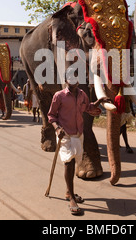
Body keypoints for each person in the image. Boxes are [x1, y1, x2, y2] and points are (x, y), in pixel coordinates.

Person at [47, 72, 110, 216]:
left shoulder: (82, 94)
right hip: (65, 133)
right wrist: (57, 129)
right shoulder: (59, 96)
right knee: (68, 162)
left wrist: (100, 101)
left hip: (78, 133)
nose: (73, 80)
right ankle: (72, 199)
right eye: (70, 78)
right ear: (66, 80)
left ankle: (69, 192)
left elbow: (88, 107)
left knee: (75, 160)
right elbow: (51, 115)